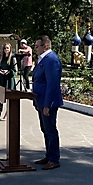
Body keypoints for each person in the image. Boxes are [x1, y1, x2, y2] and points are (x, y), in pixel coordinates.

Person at [32, 35, 63, 170]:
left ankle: (54, 159)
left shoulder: (51, 60)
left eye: (36, 46)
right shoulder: (43, 59)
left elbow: (52, 84)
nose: (35, 48)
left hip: (48, 103)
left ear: (45, 46)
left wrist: (47, 105)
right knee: (45, 129)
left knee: (50, 130)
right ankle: (49, 155)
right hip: (41, 101)